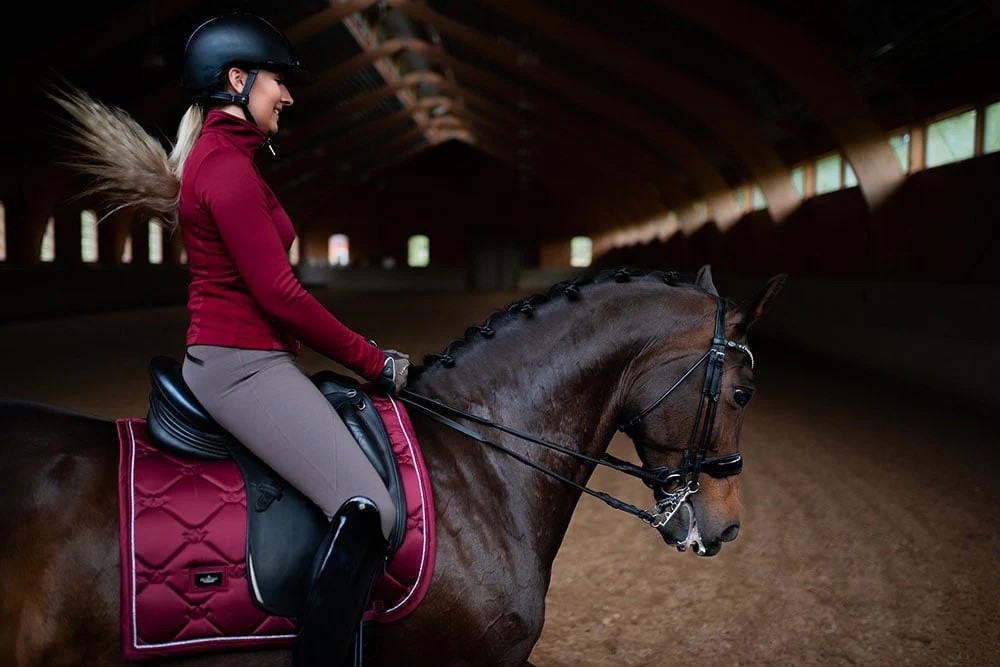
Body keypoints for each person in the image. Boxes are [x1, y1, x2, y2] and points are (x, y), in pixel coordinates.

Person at [171, 13, 409, 667]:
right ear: (238, 80)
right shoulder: (225, 169)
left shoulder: (230, 161)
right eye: (279, 81)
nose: (289, 95)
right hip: (241, 368)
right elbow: (280, 294)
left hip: (253, 359)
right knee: (368, 509)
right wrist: (371, 358)